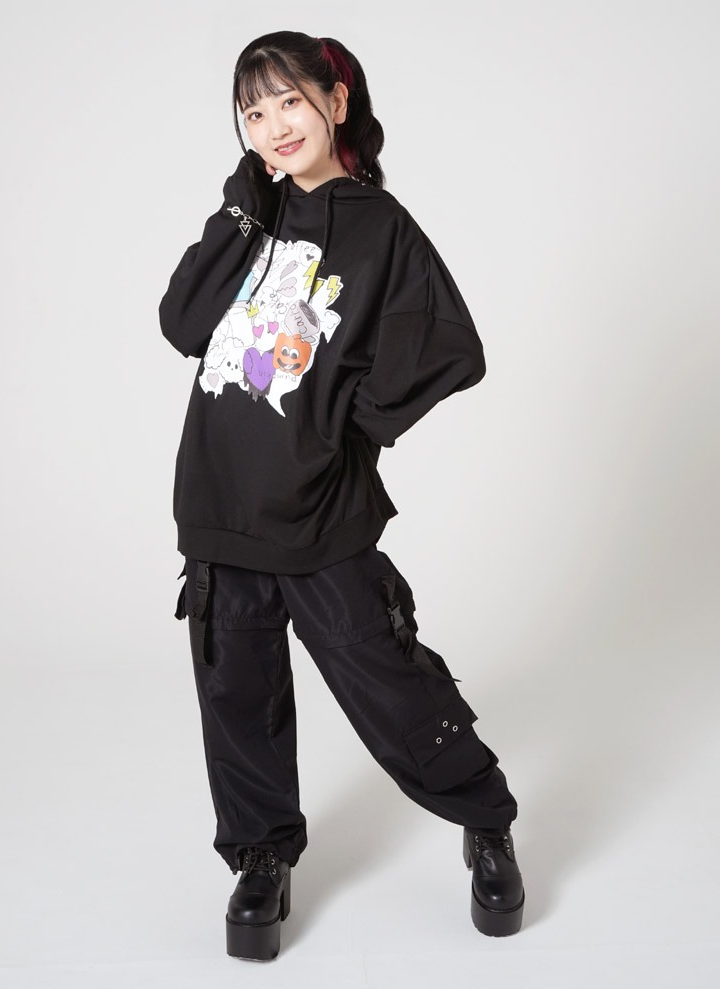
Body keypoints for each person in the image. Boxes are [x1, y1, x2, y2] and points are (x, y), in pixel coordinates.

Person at [158, 30, 524, 961]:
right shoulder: (249, 211)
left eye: (289, 100)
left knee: (390, 683)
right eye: (253, 110)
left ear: (335, 102)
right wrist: (241, 212)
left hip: (321, 510)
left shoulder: (379, 226)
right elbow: (183, 322)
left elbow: (450, 348)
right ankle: (261, 856)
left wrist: (343, 421)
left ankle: (485, 817)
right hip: (218, 502)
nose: (274, 125)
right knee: (237, 694)